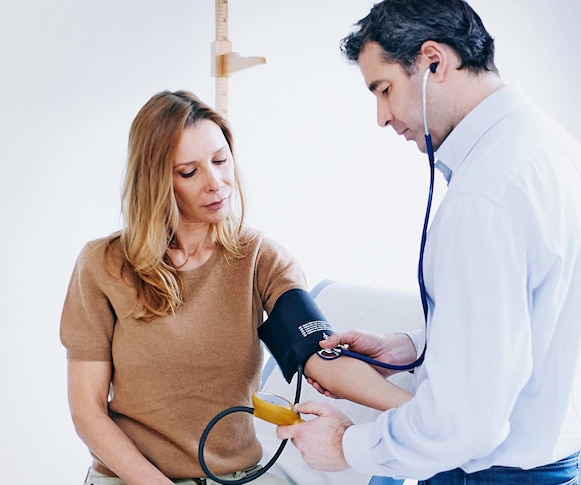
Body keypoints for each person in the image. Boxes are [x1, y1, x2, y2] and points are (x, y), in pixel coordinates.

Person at [276, 1, 581, 484]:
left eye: (385, 90)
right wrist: (413, 347)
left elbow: (462, 423)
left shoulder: (485, 194)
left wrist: (345, 445)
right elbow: (531, 329)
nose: (381, 117)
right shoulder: (550, 148)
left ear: (433, 61)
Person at [60, 90, 412, 485]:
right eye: (189, 172)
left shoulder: (260, 259)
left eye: (220, 160)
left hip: (236, 476)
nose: (216, 183)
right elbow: (87, 410)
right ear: (156, 180)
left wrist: (422, 415)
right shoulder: (103, 264)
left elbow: (320, 356)